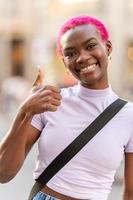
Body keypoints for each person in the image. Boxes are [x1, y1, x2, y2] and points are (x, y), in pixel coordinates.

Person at [0, 15, 133, 200]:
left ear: (107, 48)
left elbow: (130, 192)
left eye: (90, 46)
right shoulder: (49, 102)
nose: (82, 57)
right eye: (70, 53)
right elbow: (3, 173)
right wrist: (25, 110)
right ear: (65, 64)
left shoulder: (129, 116)